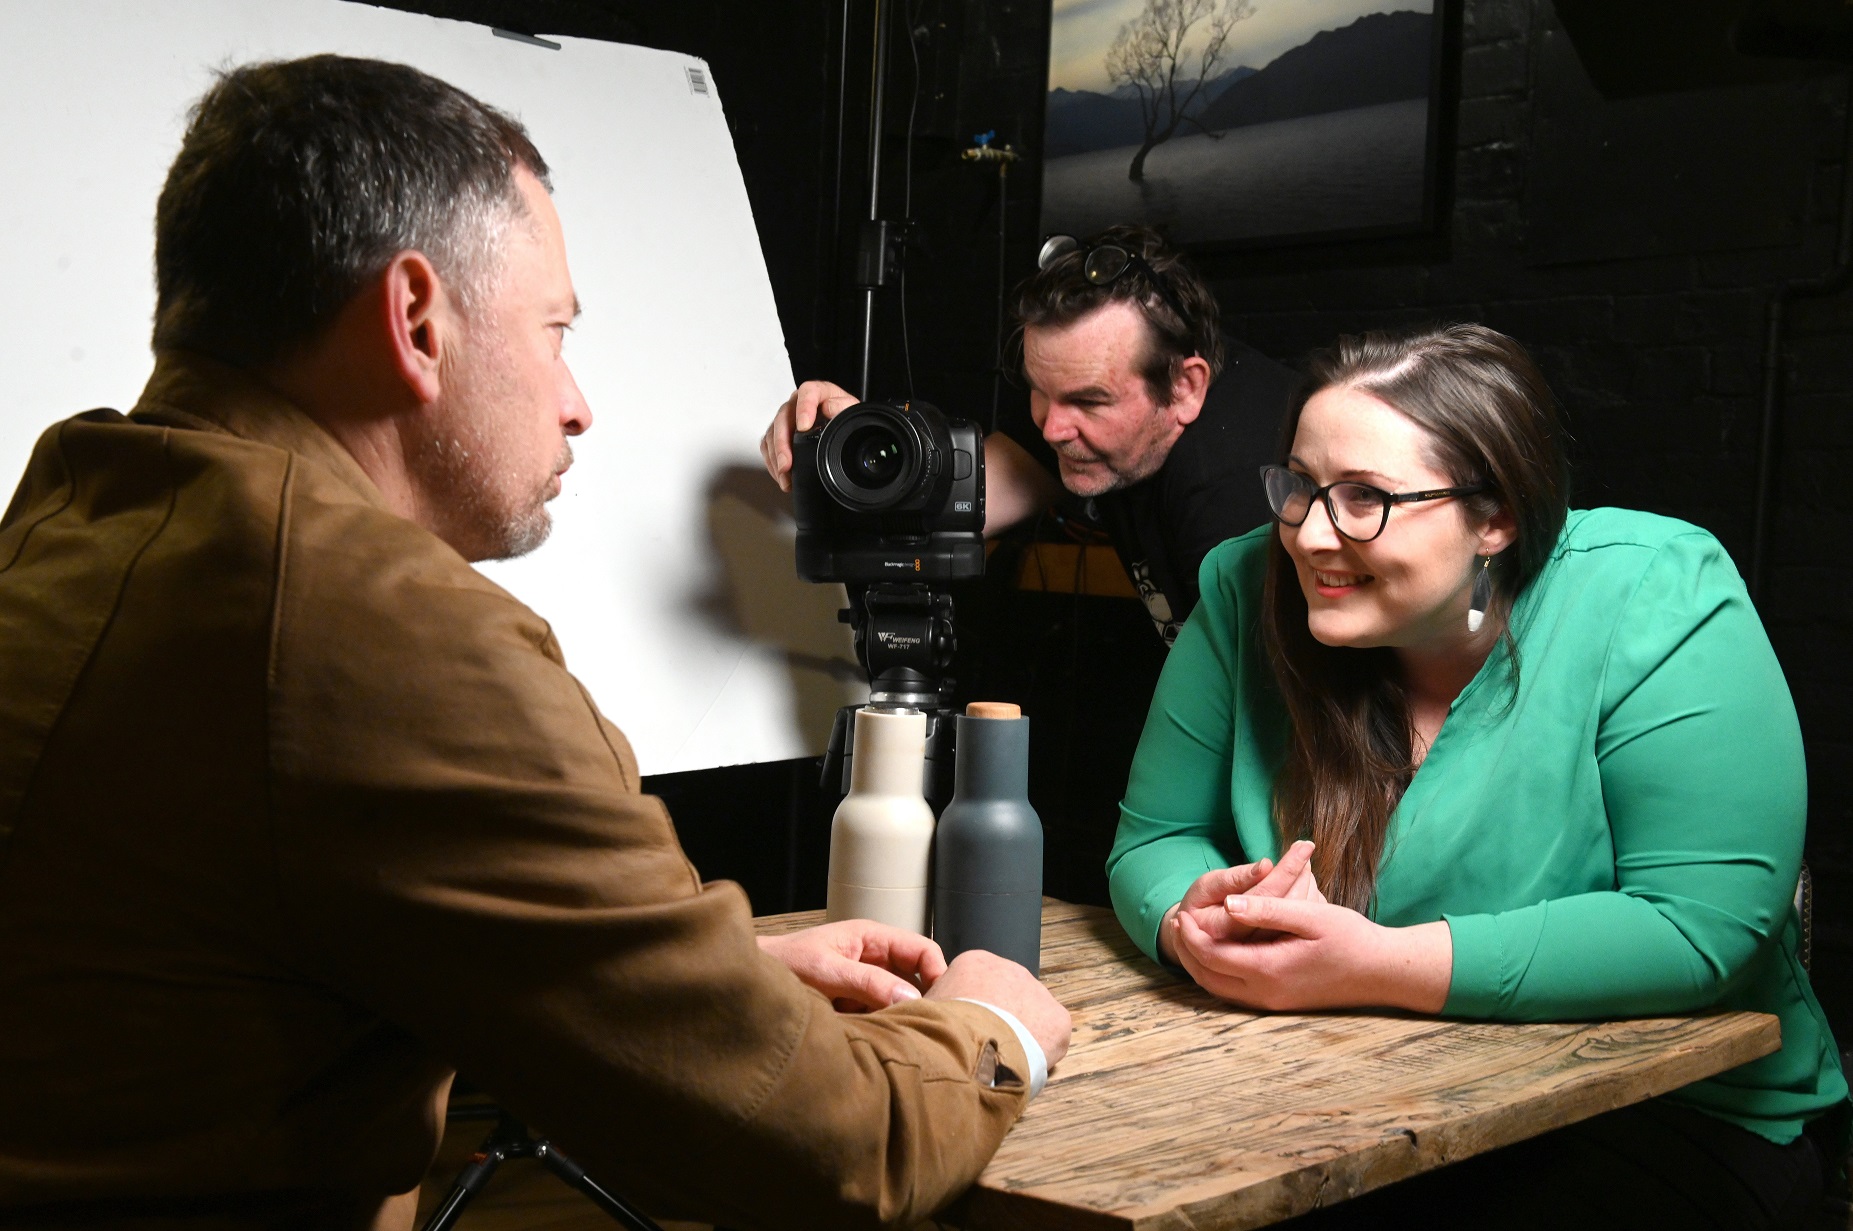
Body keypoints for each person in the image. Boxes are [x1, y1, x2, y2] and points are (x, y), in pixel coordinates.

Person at [0, 55, 1068, 1231]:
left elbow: (232, 978)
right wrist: (986, 1021)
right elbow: (834, 1154)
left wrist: (699, 991)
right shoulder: (383, 635)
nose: (577, 401)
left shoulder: (73, 517)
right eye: (554, 331)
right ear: (414, 320)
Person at [1106, 323, 1846, 1228]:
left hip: (1661, 1106)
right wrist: (1192, 923)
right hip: (1348, 1091)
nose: (1309, 533)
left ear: (1493, 517)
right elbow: (1154, 837)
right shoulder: (1244, 584)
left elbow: (1697, 929)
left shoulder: (1654, 590)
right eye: (1298, 488)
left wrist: (1374, 965)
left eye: (1365, 498)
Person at [760, 225, 1303, 644]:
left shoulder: (1236, 492)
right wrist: (847, 447)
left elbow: (1286, 732)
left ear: (1185, 387)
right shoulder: (1075, 405)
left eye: (1089, 401)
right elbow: (945, 507)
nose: (1052, 427)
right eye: (1039, 390)